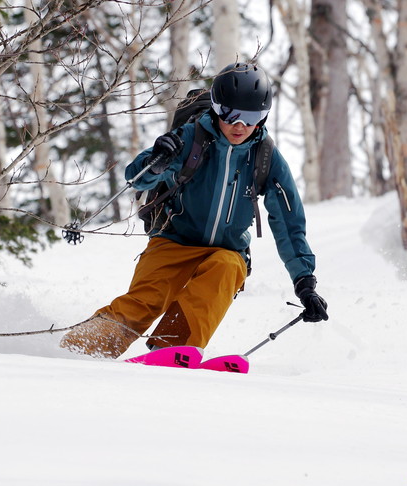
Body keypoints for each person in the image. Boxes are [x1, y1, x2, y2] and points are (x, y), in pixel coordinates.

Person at [60, 63, 328, 359]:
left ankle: (171, 349)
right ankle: (78, 350)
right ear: (217, 108)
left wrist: (304, 281)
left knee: (225, 268)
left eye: (252, 118)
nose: (240, 126)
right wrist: (158, 159)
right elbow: (136, 177)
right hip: (173, 240)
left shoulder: (266, 156)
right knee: (145, 301)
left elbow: (289, 223)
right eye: (231, 115)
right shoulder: (191, 138)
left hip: (227, 251)